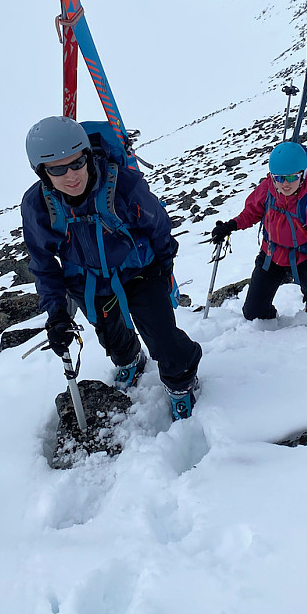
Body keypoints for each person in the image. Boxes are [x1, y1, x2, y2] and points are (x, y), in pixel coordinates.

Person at [21, 116, 201, 420]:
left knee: (164, 338)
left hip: (139, 271)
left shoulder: (123, 185)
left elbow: (158, 225)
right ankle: (130, 360)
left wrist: (164, 266)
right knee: (113, 339)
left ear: (88, 156)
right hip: (87, 280)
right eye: (57, 169)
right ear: (41, 172)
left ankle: (181, 382)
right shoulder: (38, 205)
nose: (71, 175)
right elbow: (43, 262)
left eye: (77, 163)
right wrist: (57, 314)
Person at [211, 140, 307, 320]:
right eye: (279, 177)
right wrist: (230, 226)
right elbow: (251, 212)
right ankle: (273, 329)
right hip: (271, 255)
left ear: (303, 174)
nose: (285, 183)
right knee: (253, 313)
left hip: (304, 258)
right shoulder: (268, 189)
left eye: (292, 177)